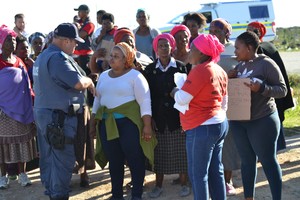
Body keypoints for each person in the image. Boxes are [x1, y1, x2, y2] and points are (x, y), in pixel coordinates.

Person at [33, 23, 96, 200]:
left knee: (49, 159)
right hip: (59, 119)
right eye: (75, 42)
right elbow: (77, 83)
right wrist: (89, 82)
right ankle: (58, 195)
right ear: (66, 40)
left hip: (47, 116)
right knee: (62, 161)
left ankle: (53, 193)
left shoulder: (43, 56)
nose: (76, 45)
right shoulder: (57, 58)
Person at [92, 42, 156, 200]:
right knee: (114, 162)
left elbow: (145, 102)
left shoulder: (136, 76)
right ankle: (117, 195)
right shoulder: (104, 76)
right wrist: (92, 124)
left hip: (129, 125)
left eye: (116, 57)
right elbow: (97, 101)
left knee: (135, 159)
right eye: (111, 56)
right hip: (107, 124)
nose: (112, 59)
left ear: (126, 59)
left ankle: (136, 195)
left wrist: (147, 126)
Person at [228, 31, 287, 200]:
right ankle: (249, 198)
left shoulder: (266, 64)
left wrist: (262, 88)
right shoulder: (239, 66)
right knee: (247, 162)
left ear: (249, 47)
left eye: (238, 48)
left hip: (262, 121)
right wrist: (228, 77)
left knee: (268, 161)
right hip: (239, 122)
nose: (235, 52)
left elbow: (282, 90)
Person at [171, 33, 228, 200]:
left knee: (198, 174)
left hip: (202, 127)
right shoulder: (219, 69)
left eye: (193, 48)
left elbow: (182, 99)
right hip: (218, 123)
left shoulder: (201, 71)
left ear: (202, 52)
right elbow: (224, 101)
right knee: (215, 171)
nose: (189, 50)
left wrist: (175, 91)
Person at [143, 33, 190, 198]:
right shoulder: (149, 70)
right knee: (159, 154)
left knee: (181, 153)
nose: (163, 48)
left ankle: (184, 184)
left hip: (178, 117)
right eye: (160, 45)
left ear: (172, 47)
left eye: (166, 45)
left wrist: (186, 118)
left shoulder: (181, 67)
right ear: (156, 48)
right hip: (158, 118)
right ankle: (158, 185)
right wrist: (151, 119)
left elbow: (186, 93)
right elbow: (147, 96)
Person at [247, 21, 295, 152]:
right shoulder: (268, 47)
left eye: (253, 30)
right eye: (248, 29)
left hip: (269, 92)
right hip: (268, 92)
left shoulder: (265, 49)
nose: (249, 32)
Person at [0, 24, 37, 189]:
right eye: (9, 39)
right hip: (2, 112)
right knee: (2, 145)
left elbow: (26, 85)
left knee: (20, 142)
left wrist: (30, 102)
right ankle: (3, 176)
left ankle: (23, 174)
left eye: (14, 39)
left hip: (20, 110)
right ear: (1, 42)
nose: (12, 42)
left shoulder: (19, 61)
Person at [209, 18, 241, 196]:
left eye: (217, 30)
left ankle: (228, 180)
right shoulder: (207, 50)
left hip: (233, 103)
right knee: (214, 143)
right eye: (211, 30)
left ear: (226, 32)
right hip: (212, 104)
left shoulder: (234, 50)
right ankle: (215, 180)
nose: (213, 33)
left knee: (229, 143)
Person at [73, 4, 95, 75]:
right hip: (76, 54)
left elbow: (80, 35)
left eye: (80, 11)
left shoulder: (90, 24)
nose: (78, 13)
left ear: (86, 12)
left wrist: (77, 28)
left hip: (85, 54)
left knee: (85, 74)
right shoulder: (78, 23)